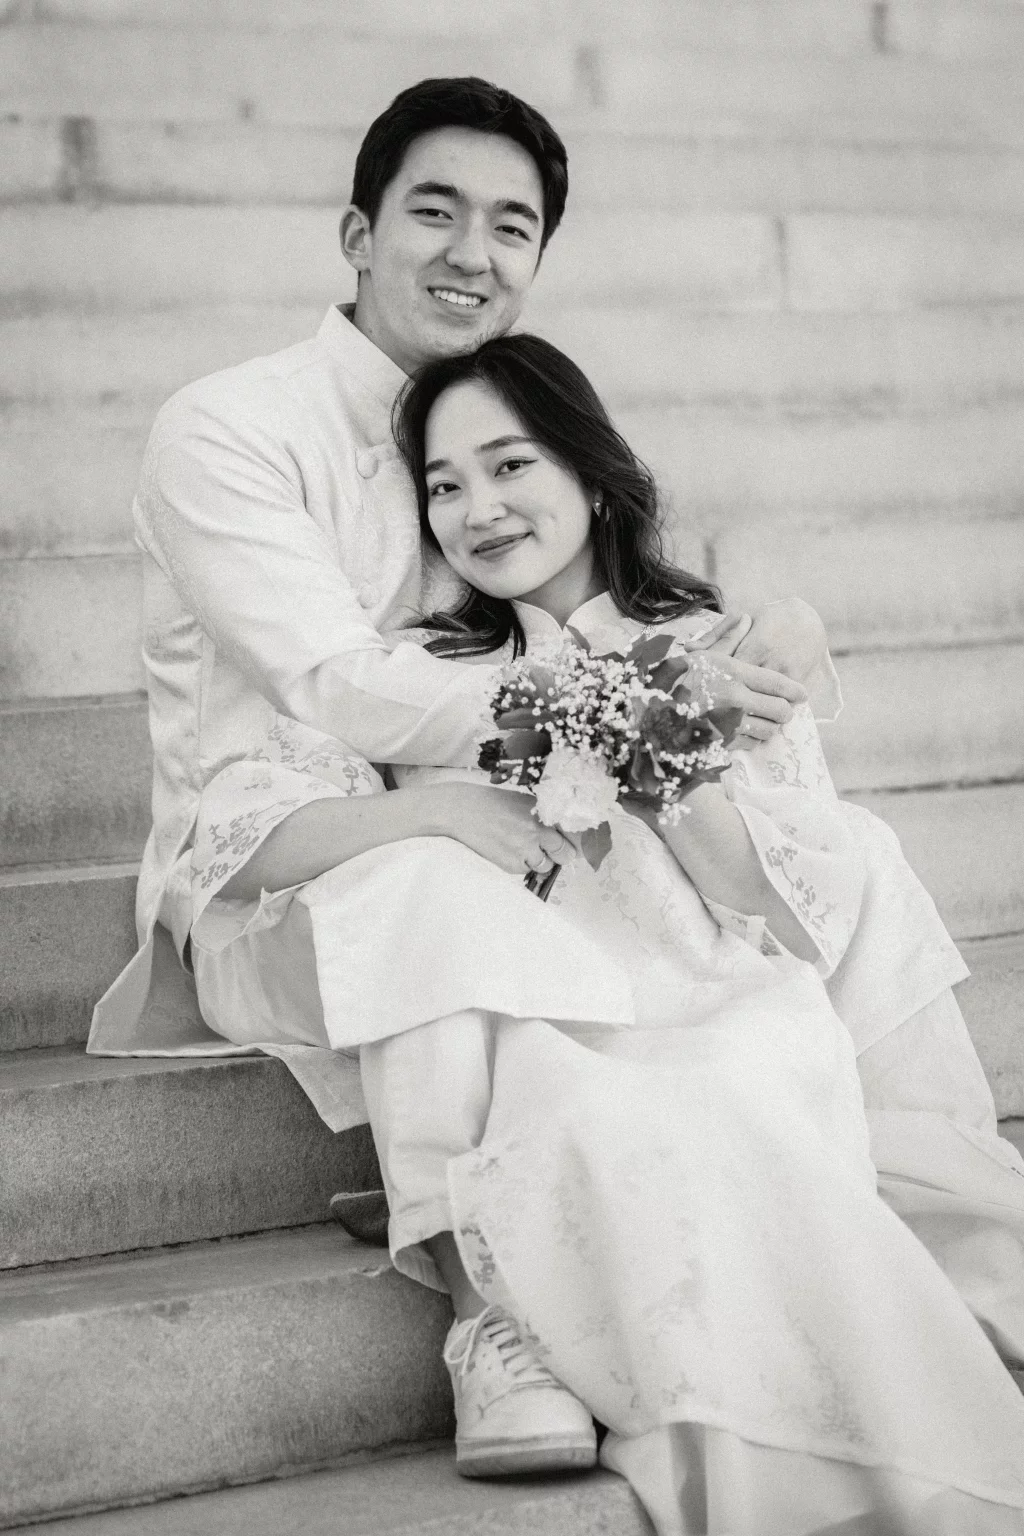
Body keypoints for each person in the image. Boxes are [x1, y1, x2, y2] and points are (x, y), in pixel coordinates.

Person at [197, 330, 1024, 1534]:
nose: (476, 509)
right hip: (547, 1026)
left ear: (589, 474)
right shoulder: (417, 674)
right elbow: (239, 839)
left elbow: (770, 903)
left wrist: (658, 745)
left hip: (725, 999)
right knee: (599, 1115)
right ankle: (502, 1325)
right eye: (442, 485)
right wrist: (436, 808)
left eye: (508, 464)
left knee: (732, 1098)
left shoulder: (718, 653)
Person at [88, 76, 827, 1126]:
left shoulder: (493, 433)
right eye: (434, 212)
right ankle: (468, 1238)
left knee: (700, 942)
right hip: (282, 873)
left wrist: (765, 630)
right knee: (453, 895)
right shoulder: (227, 428)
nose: (470, 255)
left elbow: (609, 585)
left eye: (510, 228)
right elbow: (331, 681)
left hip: (499, 830)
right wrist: (630, 698)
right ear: (357, 231)